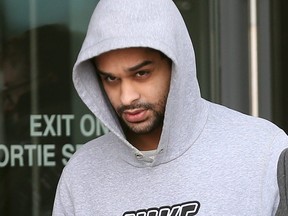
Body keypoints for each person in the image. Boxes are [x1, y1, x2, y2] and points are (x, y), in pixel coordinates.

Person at [53, 0, 288, 215]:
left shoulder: (263, 151)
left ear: (177, 65)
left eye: (141, 73)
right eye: (111, 79)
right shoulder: (81, 175)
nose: (126, 97)